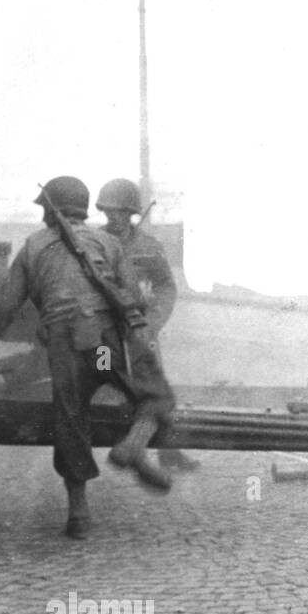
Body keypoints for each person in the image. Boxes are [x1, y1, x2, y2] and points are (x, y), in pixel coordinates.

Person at [3, 175, 176, 539]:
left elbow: (7, 305)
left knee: (72, 416)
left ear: (52, 211)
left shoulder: (33, 246)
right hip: (100, 346)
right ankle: (134, 446)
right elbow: (131, 298)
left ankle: (78, 513)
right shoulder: (108, 243)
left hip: (64, 349)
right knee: (153, 394)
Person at [96, 178, 198, 472]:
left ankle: (168, 452)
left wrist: (154, 321)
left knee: (157, 391)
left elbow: (167, 286)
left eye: (119, 211)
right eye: (108, 211)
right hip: (106, 334)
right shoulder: (95, 243)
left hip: (141, 331)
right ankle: (134, 444)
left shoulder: (149, 247)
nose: (112, 216)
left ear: (131, 212)